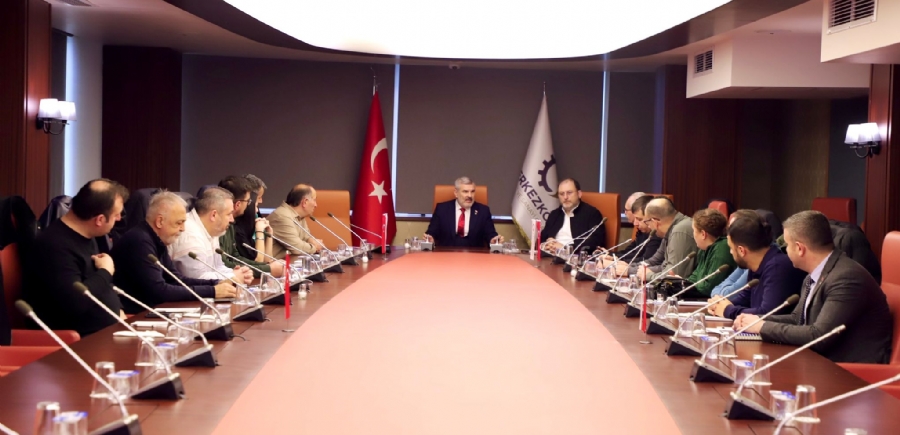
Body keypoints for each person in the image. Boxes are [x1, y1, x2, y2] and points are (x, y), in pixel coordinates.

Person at [735, 211, 892, 364]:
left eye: (787, 245)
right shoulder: (815, 274)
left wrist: (763, 327)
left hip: (850, 370)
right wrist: (757, 320)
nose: (785, 251)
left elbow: (820, 336)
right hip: (820, 362)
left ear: (800, 248)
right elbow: (798, 319)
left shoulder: (846, 278)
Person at [23, 179, 129, 336]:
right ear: (99, 220)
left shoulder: (88, 235)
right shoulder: (54, 246)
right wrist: (106, 271)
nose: (119, 218)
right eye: (116, 214)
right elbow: (76, 301)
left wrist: (119, 312)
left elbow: (99, 286)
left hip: (109, 333)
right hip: (75, 342)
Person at [111, 191, 237, 313]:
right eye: (179, 223)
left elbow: (176, 280)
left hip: (152, 311)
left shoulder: (156, 239)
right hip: (134, 315)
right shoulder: (140, 241)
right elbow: (159, 291)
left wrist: (216, 283)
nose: (183, 229)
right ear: (160, 221)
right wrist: (212, 291)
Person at [708, 210, 804, 319]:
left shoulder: (778, 267)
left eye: (731, 248)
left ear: (741, 250)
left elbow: (767, 314)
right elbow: (744, 299)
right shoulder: (756, 266)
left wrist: (728, 310)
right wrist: (719, 305)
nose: (730, 252)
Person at [169, 186, 253, 284]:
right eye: (229, 214)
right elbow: (197, 278)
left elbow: (217, 267)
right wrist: (233, 276)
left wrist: (237, 273)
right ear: (213, 215)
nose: (232, 219)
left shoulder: (212, 229)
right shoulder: (190, 235)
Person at [216, 176, 283, 278]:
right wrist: (268, 269)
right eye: (249, 201)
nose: (249, 205)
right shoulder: (220, 226)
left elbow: (235, 256)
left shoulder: (232, 223)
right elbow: (225, 264)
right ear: (238, 204)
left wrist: (266, 267)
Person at [621, 197, 697, 281]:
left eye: (647, 223)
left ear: (655, 222)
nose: (649, 227)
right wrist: (629, 268)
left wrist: (647, 275)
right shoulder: (670, 229)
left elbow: (674, 274)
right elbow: (656, 262)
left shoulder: (679, 231)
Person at [424, 177, 503, 248]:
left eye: (472, 191)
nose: (470, 195)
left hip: (474, 254)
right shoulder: (442, 209)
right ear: (456, 193)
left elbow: (490, 233)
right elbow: (432, 231)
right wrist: (430, 238)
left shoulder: (483, 211)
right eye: (465, 191)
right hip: (447, 252)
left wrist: (493, 239)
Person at [540, 179, 605, 252]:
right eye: (561, 194)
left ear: (579, 194)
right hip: (550, 255)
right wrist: (546, 244)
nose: (565, 197)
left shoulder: (592, 214)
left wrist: (565, 248)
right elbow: (540, 239)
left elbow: (596, 242)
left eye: (569, 193)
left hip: (574, 256)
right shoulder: (554, 214)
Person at [682, 209, 735, 298]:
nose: (693, 234)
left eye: (694, 230)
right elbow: (695, 277)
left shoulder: (722, 248)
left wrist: (684, 287)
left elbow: (709, 287)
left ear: (703, 234)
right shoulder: (705, 248)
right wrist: (681, 283)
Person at [268, 183, 325, 258]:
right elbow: (296, 247)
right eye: (314, 200)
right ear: (305, 202)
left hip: (289, 261)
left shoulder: (299, 216)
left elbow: (305, 237)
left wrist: (313, 241)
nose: (316, 205)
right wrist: (315, 248)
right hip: (273, 263)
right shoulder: (282, 216)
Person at [608, 194, 662, 263]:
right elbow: (631, 252)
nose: (635, 224)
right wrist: (610, 255)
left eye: (639, 219)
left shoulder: (657, 235)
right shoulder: (643, 232)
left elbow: (646, 260)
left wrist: (616, 261)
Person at [235, 174, 268, 260]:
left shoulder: (256, 214)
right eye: (259, 197)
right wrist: (259, 231)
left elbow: (266, 259)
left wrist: (270, 235)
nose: (261, 201)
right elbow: (258, 260)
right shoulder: (237, 228)